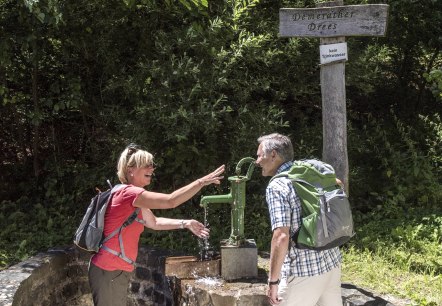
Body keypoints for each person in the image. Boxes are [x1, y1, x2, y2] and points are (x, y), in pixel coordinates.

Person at [88, 144, 225, 306]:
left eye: (152, 164)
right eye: (146, 164)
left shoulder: (133, 197)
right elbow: (171, 200)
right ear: (130, 170)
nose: (151, 168)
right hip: (109, 269)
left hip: (114, 270)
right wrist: (201, 182)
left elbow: (154, 222)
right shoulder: (129, 194)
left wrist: (185, 223)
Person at [256, 133, 342, 306]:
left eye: (259, 155)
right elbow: (338, 184)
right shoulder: (309, 171)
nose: (257, 161)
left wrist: (273, 281)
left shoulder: (277, 186)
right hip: (331, 262)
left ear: (273, 155)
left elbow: (281, 236)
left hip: (303, 271)